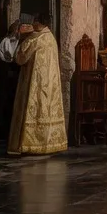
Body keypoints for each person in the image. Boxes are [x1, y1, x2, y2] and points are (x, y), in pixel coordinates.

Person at [8, 13, 67, 156]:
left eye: (34, 22)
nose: (33, 25)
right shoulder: (51, 38)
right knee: (47, 109)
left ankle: (31, 144)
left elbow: (20, 58)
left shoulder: (35, 39)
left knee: (34, 107)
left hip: (35, 82)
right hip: (50, 84)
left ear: (39, 23)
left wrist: (20, 38)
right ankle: (51, 143)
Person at [0, 21, 22, 146]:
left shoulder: (16, 40)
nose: (18, 33)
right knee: (2, 100)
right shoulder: (5, 41)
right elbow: (8, 57)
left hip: (11, 74)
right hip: (4, 73)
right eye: (17, 31)